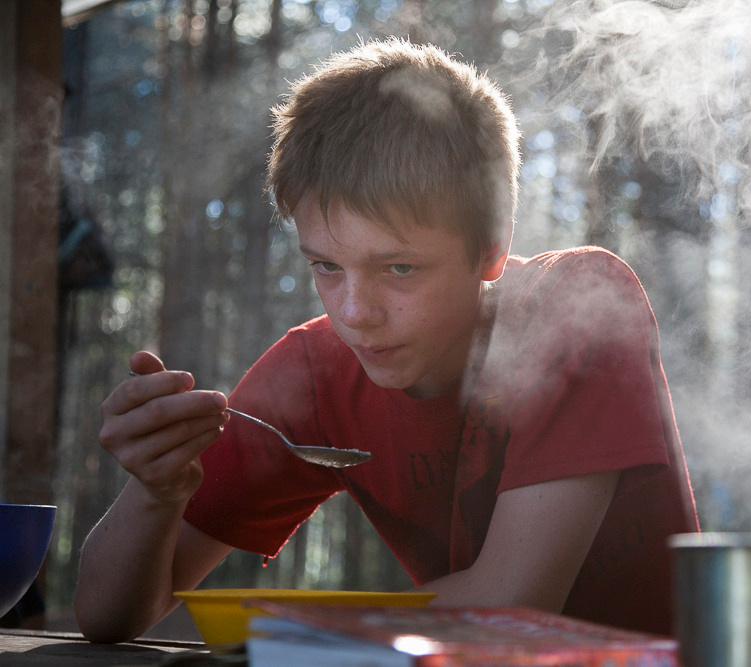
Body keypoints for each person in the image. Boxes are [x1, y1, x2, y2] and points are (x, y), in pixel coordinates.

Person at [74, 37, 698, 644]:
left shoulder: (577, 305)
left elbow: (509, 608)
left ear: (490, 248)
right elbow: (109, 617)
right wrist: (158, 490)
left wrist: (289, 632)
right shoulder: (316, 373)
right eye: (325, 267)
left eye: (399, 269)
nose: (356, 313)